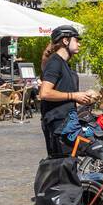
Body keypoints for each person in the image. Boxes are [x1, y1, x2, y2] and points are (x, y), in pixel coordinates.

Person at [38, 25, 93, 158]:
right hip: (58, 125)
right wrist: (74, 95)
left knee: (69, 166)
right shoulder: (55, 62)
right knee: (63, 166)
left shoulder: (65, 64)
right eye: (77, 40)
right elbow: (44, 93)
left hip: (67, 122)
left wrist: (84, 98)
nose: (79, 44)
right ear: (65, 41)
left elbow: (66, 96)